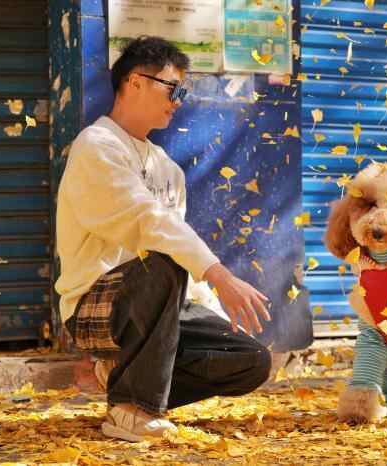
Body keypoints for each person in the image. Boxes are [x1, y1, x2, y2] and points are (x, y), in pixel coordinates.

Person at [55, 36, 272, 442]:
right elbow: (148, 221)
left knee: (250, 359)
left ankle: (119, 381)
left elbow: (177, 245)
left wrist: (215, 318)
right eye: (173, 89)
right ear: (135, 82)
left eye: (182, 92)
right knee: (162, 260)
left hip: (158, 302)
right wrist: (220, 275)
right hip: (93, 304)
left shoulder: (168, 169)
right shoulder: (96, 146)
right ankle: (131, 410)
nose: (178, 101)